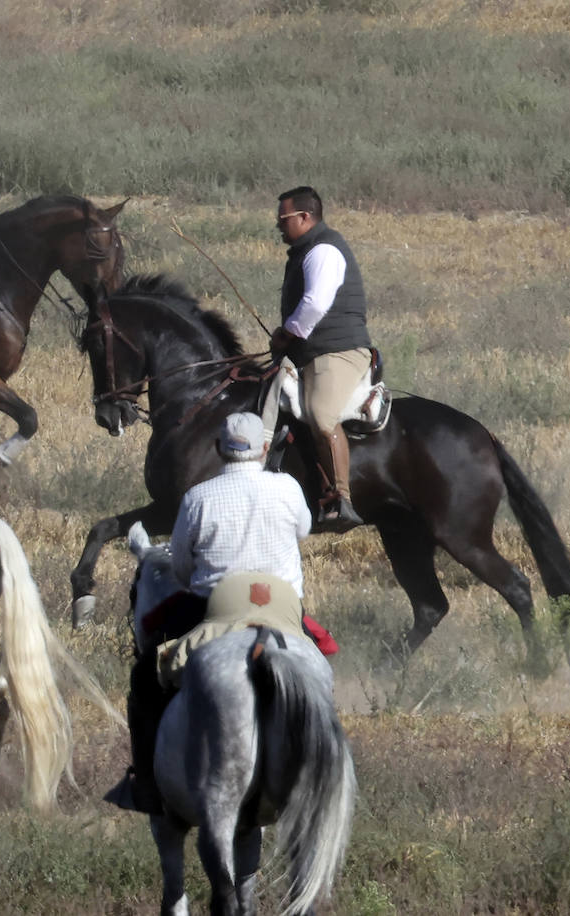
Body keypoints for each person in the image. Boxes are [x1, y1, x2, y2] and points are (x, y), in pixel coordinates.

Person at [108, 412, 338, 815]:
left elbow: (181, 566)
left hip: (214, 607)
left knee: (147, 676)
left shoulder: (198, 497)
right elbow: (302, 530)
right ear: (265, 449)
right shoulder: (287, 487)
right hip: (281, 607)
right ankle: (327, 769)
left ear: (218, 449)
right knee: (319, 675)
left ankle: (145, 783)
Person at [269, 185, 374, 532]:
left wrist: (288, 333)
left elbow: (315, 304)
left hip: (339, 351)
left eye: (283, 219)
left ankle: (340, 497)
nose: (279, 226)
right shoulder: (305, 251)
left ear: (304, 217)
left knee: (321, 414)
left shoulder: (323, 250)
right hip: (313, 352)